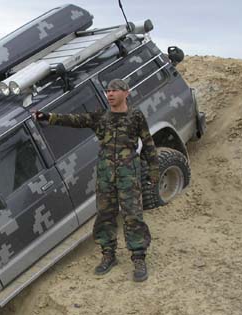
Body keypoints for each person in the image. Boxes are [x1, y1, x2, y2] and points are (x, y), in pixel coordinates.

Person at [34, 79, 159, 282]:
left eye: (114, 90)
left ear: (126, 93)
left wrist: (153, 170)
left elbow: (148, 143)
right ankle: (108, 254)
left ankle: (138, 257)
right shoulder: (101, 116)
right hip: (105, 176)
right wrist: (48, 117)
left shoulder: (136, 116)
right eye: (108, 90)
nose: (110, 94)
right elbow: (75, 120)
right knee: (105, 214)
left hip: (129, 175)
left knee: (133, 215)